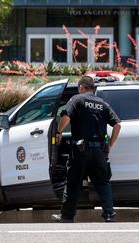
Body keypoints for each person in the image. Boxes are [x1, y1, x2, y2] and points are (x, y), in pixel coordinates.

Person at [52, 76, 121, 223]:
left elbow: (66, 117)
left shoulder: (77, 99)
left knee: (73, 183)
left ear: (82, 87)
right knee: (103, 183)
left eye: (79, 88)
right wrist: (110, 145)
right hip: (99, 151)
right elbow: (117, 125)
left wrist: (58, 132)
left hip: (80, 150)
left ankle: (67, 216)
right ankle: (109, 214)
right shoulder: (103, 104)